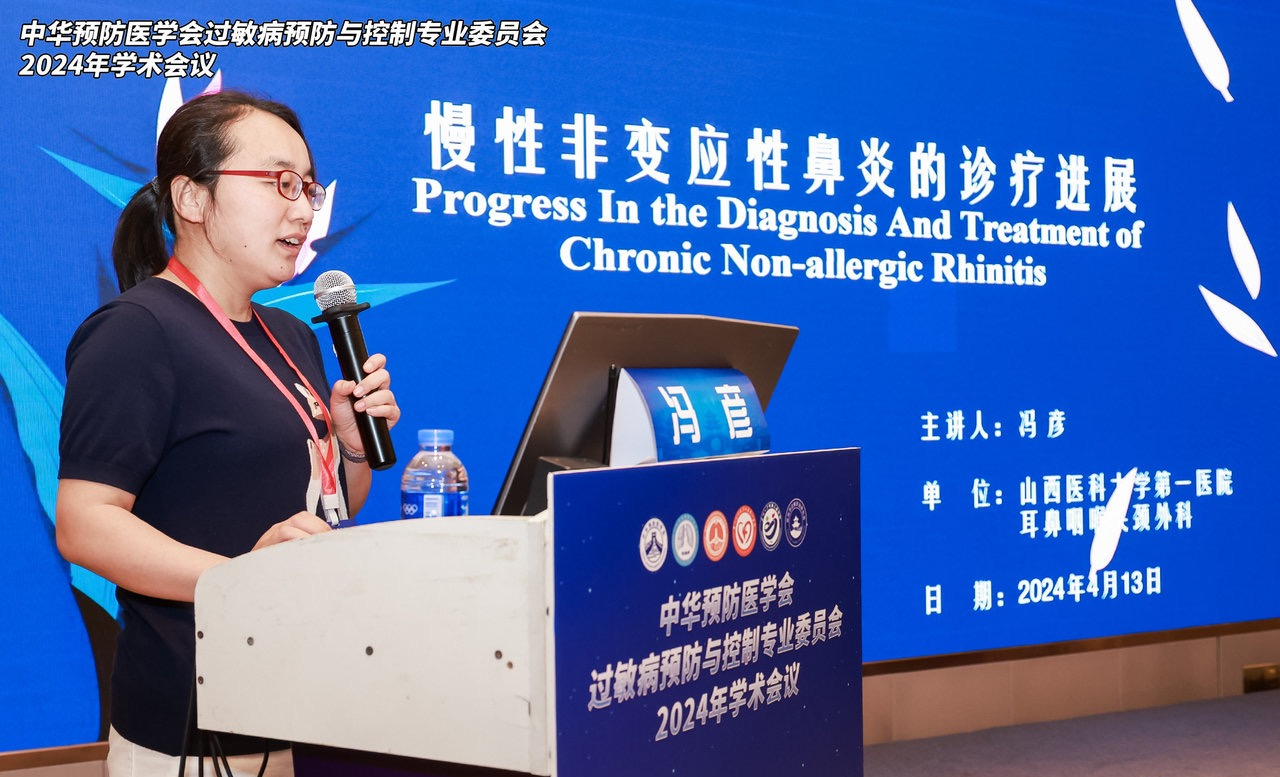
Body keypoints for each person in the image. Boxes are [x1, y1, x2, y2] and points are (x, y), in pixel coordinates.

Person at [55, 89, 400, 777]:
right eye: (279, 183)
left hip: (300, 707)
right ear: (192, 197)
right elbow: (85, 525)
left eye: (307, 187)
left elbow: (325, 509)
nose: (303, 209)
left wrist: (351, 447)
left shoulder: (294, 335)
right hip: (195, 729)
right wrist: (242, 579)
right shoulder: (137, 331)